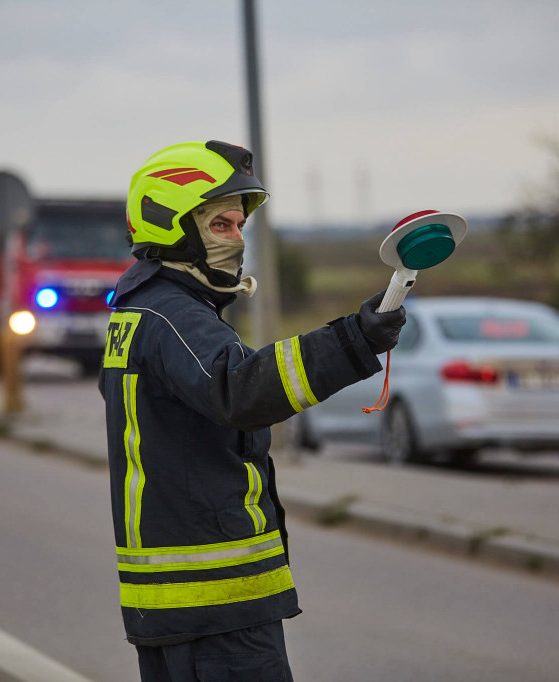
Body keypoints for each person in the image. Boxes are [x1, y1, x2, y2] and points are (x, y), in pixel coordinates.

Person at [99, 140, 406, 681]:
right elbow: (240, 390)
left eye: (240, 225)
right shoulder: (172, 316)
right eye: (221, 225)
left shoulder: (145, 312)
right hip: (216, 614)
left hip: (185, 611)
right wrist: (355, 341)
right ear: (172, 225)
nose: (238, 239)